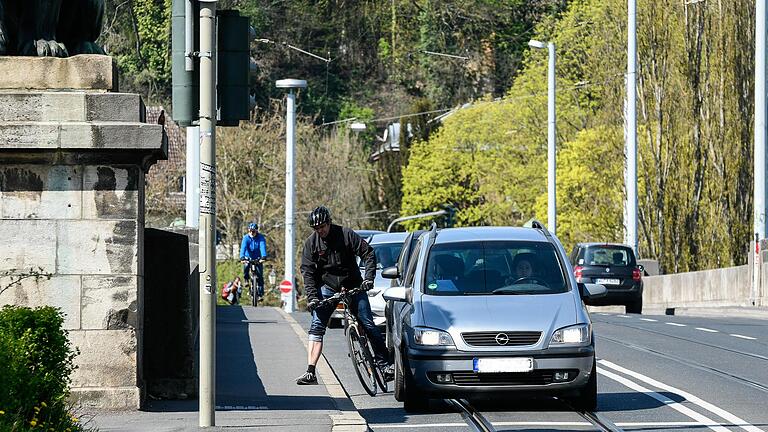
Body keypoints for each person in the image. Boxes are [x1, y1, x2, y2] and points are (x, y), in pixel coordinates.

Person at [296, 206, 394, 385]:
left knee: (368, 323)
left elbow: (368, 253)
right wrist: (312, 298)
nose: (320, 231)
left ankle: (385, 365)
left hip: (353, 284)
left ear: (329, 222)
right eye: (316, 229)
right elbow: (308, 272)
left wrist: (369, 278)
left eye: (323, 227)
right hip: (328, 286)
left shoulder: (346, 234)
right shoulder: (311, 244)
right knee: (317, 326)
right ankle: (310, 371)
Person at [240, 222, 268, 300]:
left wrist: (264, 256)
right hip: (248, 257)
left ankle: (260, 292)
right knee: (246, 266)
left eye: (253, 231)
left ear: (256, 231)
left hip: (258, 258)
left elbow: (262, 247)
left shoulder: (260, 238)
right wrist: (242, 257)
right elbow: (243, 248)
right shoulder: (246, 238)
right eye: (250, 231)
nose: (252, 233)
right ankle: (246, 279)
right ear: (248, 230)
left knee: (259, 274)